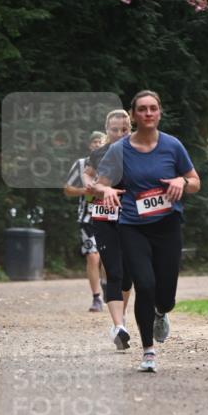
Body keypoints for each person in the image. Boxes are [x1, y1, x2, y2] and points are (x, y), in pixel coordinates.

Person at [95, 90, 200, 373]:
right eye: (142, 109)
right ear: (133, 115)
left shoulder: (173, 145)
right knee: (145, 285)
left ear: (159, 112)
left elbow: (195, 182)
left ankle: (160, 312)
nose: (148, 113)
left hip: (167, 226)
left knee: (165, 294)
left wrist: (181, 181)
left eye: (153, 108)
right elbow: (99, 183)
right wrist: (106, 190)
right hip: (133, 227)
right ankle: (148, 351)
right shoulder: (119, 150)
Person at [86, 109, 133, 350]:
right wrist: (96, 187)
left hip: (133, 219)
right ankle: (118, 326)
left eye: (124, 130)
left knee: (128, 276)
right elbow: (87, 177)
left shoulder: (139, 152)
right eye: (114, 130)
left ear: (130, 129)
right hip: (104, 218)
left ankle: (121, 318)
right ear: (107, 130)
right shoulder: (99, 154)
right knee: (113, 271)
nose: (119, 134)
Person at [64, 130, 105, 311]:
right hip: (87, 217)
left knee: (108, 258)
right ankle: (96, 298)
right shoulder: (81, 164)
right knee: (92, 256)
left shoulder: (113, 163)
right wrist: (84, 191)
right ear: (90, 145)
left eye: (101, 142)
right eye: (94, 142)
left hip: (109, 216)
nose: (97, 144)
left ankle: (106, 286)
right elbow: (67, 189)